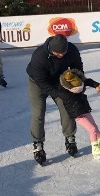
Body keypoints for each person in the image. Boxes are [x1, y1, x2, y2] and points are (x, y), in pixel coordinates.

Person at [26, 33, 84, 165]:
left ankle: (70, 138)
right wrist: (58, 93)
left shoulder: (72, 50)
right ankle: (38, 144)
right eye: (57, 53)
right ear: (51, 49)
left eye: (62, 52)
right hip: (37, 83)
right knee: (38, 112)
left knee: (67, 107)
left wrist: (78, 82)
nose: (61, 55)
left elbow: (77, 67)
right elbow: (41, 82)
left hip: (58, 80)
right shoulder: (39, 56)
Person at [56, 68, 100, 160]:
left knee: (95, 127)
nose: (80, 89)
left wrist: (96, 85)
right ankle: (95, 149)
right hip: (77, 114)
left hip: (84, 109)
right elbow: (61, 94)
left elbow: (87, 81)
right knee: (92, 129)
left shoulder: (79, 81)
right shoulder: (63, 90)